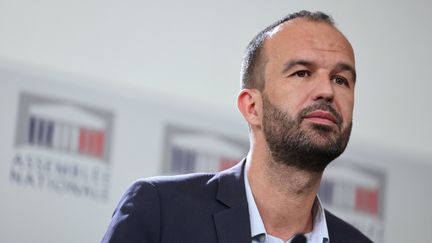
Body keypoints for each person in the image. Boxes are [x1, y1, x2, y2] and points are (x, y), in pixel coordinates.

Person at [102, 10, 372, 243]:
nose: (326, 91)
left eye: (341, 80)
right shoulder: (161, 211)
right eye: (302, 73)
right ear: (252, 107)